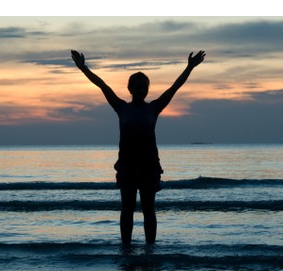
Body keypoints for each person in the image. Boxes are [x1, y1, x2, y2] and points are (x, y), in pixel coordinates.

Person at [71, 50, 205, 245]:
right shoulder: (121, 107)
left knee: (149, 209)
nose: (141, 89)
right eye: (137, 86)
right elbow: (102, 85)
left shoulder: (154, 108)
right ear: (130, 88)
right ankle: (126, 248)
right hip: (127, 165)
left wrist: (189, 67)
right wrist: (83, 68)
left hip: (149, 165)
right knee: (127, 209)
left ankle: (150, 249)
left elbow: (174, 87)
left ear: (147, 89)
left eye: (144, 86)